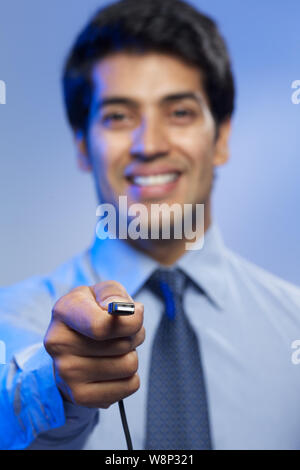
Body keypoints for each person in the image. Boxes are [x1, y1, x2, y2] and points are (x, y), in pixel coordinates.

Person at [0, 0, 300, 451]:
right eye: (118, 116)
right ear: (83, 146)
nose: (150, 144)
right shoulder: (9, 321)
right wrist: (56, 386)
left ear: (221, 139)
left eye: (179, 112)